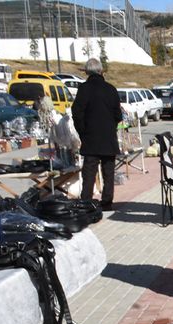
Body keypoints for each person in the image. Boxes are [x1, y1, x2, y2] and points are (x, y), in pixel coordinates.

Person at [72, 58, 122, 210]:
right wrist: (110, 127)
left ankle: (86, 202)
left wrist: (83, 132)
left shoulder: (84, 89)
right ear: (101, 71)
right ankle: (107, 202)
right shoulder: (110, 89)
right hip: (108, 137)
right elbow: (118, 115)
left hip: (90, 137)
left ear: (87, 72)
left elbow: (76, 113)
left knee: (89, 173)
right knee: (108, 172)